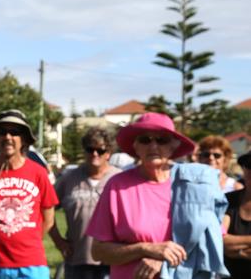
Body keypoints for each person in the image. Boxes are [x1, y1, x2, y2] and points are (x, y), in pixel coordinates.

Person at [87, 112, 228, 278]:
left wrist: (165, 260)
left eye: (162, 140)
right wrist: (145, 249)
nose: (153, 146)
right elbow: (98, 251)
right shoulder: (117, 186)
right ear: (136, 147)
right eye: (145, 140)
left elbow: (210, 243)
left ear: (173, 146)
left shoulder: (194, 184)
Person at [0, 109, 59, 279]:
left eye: (14, 132)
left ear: (23, 139)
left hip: (31, 265)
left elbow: (48, 219)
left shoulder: (38, 173)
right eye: (2, 132)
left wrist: (26, 241)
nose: (8, 137)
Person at [50, 127, 120, 279]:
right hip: (77, 260)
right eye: (90, 149)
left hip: (112, 261)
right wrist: (59, 242)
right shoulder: (68, 178)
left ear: (108, 153)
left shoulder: (119, 179)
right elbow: (47, 209)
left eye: (100, 150)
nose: (95, 154)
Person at [223, 150, 251, 278]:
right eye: (249, 164)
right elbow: (220, 240)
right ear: (244, 170)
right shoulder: (228, 200)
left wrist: (236, 251)